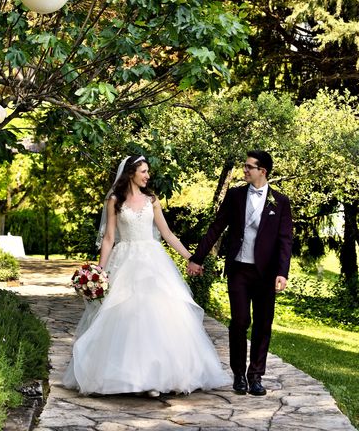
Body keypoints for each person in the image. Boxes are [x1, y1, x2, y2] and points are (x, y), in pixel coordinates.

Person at [63, 155, 231, 397]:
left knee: (158, 315)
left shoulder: (152, 200)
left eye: (147, 172)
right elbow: (109, 238)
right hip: (124, 262)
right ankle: (131, 377)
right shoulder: (115, 201)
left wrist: (190, 258)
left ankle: (156, 378)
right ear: (131, 172)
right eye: (143, 171)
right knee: (126, 317)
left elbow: (168, 234)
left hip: (153, 262)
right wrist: (99, 272)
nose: (147, 175)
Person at [187, 150, 293, 396]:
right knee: (240, 321)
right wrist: (196, 258)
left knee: (263, 324)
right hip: (239, 269)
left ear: (262, 171)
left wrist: (282, 272)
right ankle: (239, 375)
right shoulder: (234, 196)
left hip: (266, 273)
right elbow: (217, 227)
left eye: (249, 167)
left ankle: (256, 376)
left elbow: (285, 240)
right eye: (245, 166)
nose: (244, 170)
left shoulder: (280, 201)